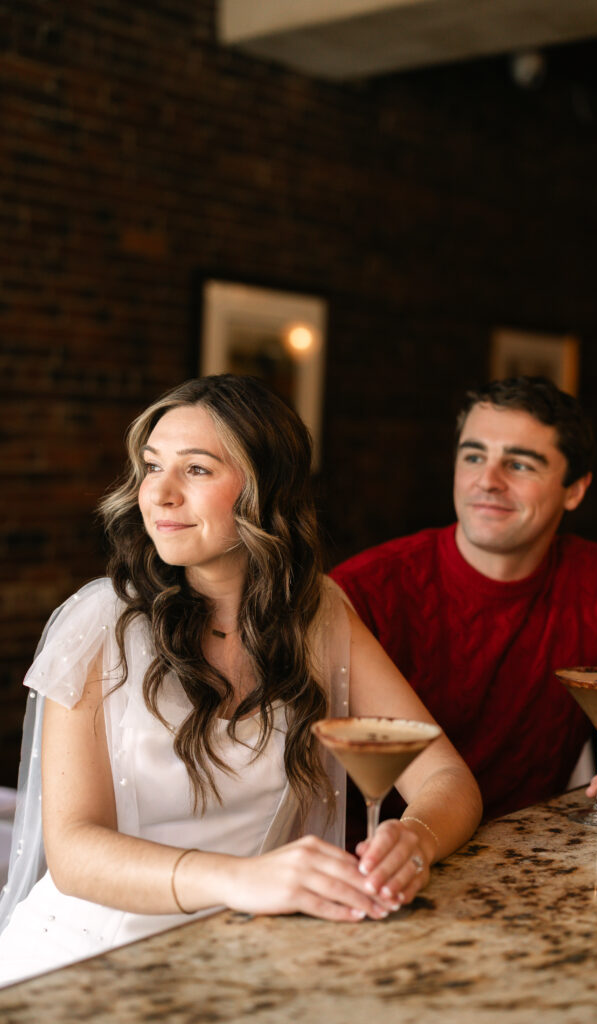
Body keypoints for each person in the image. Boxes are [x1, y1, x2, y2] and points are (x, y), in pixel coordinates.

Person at [0, 375, 482, 987]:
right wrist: (241, 878)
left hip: (245, 950)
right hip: (93, 957)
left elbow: (445, 776)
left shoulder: (319, 615)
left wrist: (414, 838)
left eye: (196, 470)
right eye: (152, 468)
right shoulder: (98, 625)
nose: (160, 495)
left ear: (264, 492)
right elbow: (72, 853)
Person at [332, 376, 597, 840]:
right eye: (474, 456)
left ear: (574, 489)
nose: (487, 481)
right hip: (377, 856)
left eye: (520, 464)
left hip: (528, 854)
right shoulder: (364, 589)